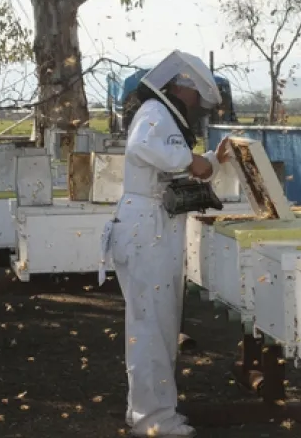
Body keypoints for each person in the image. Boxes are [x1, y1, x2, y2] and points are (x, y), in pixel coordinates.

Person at [99, 50, 231, 438]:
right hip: (146, 229)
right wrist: (191, 160)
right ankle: (154, 420)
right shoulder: (155, 113)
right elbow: (143, 147)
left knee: (156, 325)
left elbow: (171, 166)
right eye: (195, 99)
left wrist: (211, 160)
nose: (195, 107)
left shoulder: (161, 117)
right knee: (152, 326)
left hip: (152, 226)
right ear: (182, 87)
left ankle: (144, 411)